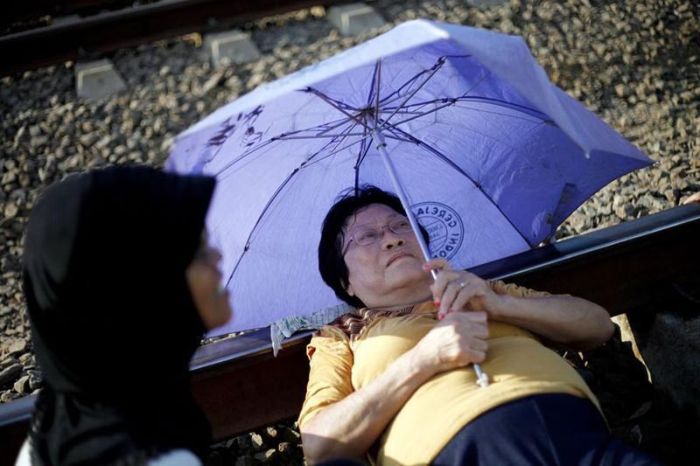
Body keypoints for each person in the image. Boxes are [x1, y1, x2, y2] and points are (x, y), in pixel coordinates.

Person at [298, 186, 661, 466]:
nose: (392, 238)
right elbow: (320, 445)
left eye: (400, 225)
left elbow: (597, 325)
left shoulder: (480, 289)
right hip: (455, 449)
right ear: (345, 282)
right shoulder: (343, 335)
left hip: (571, 429)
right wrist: (423, 359)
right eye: (367, 237)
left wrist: (500, 305)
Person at [15, 166, 232, 466]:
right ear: (141, 286)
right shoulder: (160, 458)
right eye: (196, 250)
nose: (218, 257)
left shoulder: (54, 429)